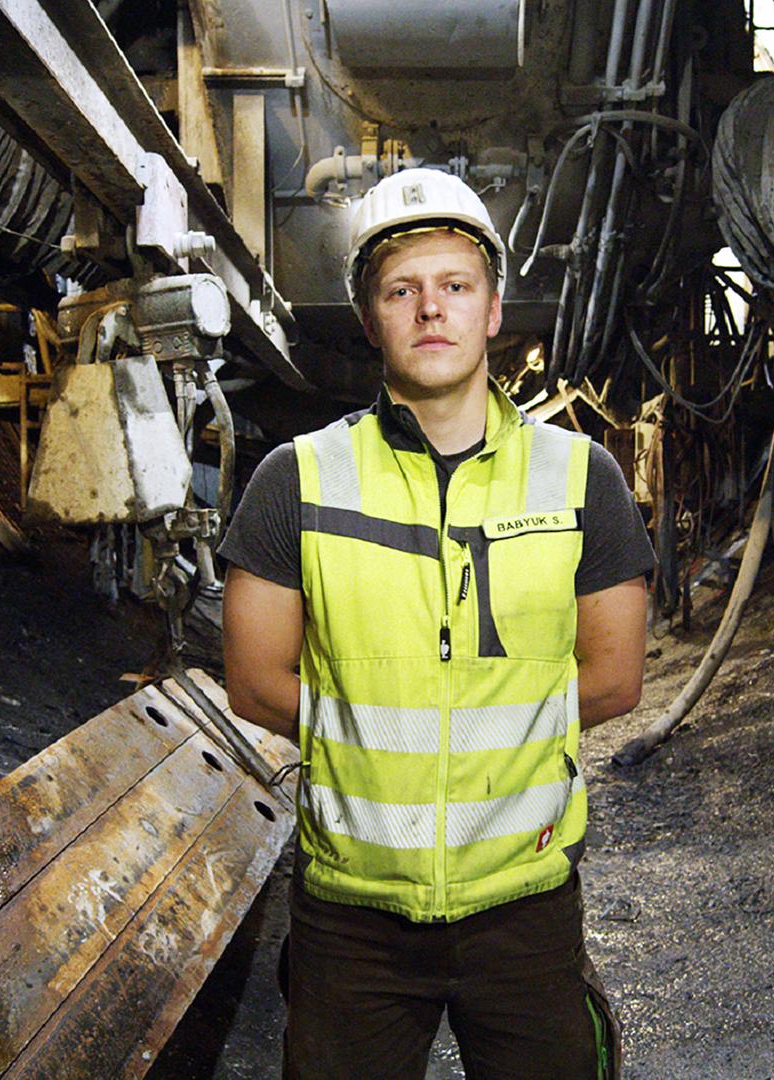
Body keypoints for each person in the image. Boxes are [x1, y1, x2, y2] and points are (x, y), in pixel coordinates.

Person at [218, 167, 653, 1079]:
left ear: (491, 310)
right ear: (370, 318)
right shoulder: (298, 479)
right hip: (353, 918)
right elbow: (255, 684)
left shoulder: (581, 478)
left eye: (455, 285)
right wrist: (379, 749)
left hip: (525, 904)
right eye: (401, 291)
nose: (430, 309)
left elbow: (615, 679)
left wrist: (494, 747)